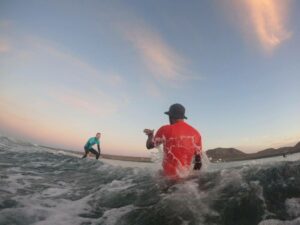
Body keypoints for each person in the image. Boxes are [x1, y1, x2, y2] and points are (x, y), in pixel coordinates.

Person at [144, 103, 202, 179]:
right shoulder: (196, 134)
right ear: (182, 117)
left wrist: (150, 135)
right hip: (187, 182)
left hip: (168, 180)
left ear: (171, 116)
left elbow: (149, 146)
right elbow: (198, 162)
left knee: (158, 173)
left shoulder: (165, 129)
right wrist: (192, 181)